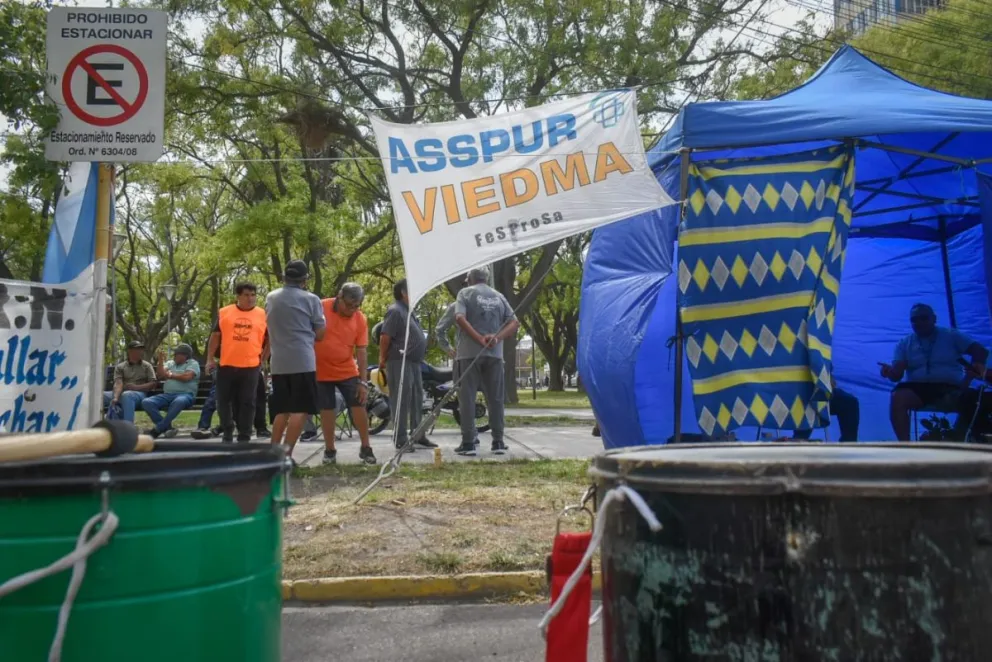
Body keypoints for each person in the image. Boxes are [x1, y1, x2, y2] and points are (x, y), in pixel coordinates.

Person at [880, 303, 988, 441]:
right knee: (897, 395)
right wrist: (889, 372)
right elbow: (897, 376)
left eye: (924, 318)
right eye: (914, 319)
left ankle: (964, 442)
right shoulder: (904, 343)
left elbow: (980, 351)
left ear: (934, 318)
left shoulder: (951, 335)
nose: (919, 322)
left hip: (950, 387)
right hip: (918, 388)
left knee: (975, 399)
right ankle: (905, 447)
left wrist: (976, 365)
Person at [453, 267, 519, 456]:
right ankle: (498, 441)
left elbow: (459, 318)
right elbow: (514, 322)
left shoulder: (464, 293)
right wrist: (496, 338)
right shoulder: (498, 296)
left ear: (470, 279)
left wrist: (478, 338)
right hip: (495, 355)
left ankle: (468, 443)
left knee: (467, 399)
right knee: (496, 399)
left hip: (468, 354)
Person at [265, 260, 325, 456]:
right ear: (305, 280)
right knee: (301, 409)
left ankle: (273, 453)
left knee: (282, 409)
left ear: (284, 277)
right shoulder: (311, 299)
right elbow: (321, 333)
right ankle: (286, 454)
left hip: (279, 361)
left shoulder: (271, 297)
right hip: (302, 360)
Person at [314, 282, 377, 465]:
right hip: (321, 370)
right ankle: (329, 450)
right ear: (339, 297)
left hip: (347, 369)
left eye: (356, 306)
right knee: (327, 410)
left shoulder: (360, 318)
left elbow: (362, 351)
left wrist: (363, 382)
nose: (352, 310)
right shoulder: (320, 307)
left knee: (358, 405)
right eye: (349, 305)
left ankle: (366, 448)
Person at [203, 282, 269, 443]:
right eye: (246, 295)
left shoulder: (263, 315)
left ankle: (244, 435)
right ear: (238, 296)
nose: (250, 298)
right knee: (223, 400)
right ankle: (227, 430)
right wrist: (210, 359)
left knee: (248, 401)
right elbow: (215, 337)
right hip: (227, 364)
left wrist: (263, 359)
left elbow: (270, 340)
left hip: (251, 366)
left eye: (253, 295)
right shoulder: (225, 312)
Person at [379, 278, 437, 451]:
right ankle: (401, 438)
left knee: (417, 399)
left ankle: (418, 435)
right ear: (403, 293)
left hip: (414, 362)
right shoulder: (395, 310)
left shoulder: (409, 311)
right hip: (399, 361)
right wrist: (382, 358)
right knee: (401, 400)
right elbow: (385, 336)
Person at [141, 343, 200, 438]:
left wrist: (171, 375)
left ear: (185, 355)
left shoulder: (192, 363)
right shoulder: (170, 363)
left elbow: (187, 377)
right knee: (147, 402)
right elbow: (160, 375)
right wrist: (160, 361)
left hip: (186, 395)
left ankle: (157, 430)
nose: (174, 356)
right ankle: (167, 428)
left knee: (179, 401)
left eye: (176, 354)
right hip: (168, 395)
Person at [792, 377, 860, 442]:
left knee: (849, 402)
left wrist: (829, 378)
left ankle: (848, 444)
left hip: (817, 388)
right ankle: (798, 441)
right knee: (808, 401)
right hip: (796, 392)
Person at [103, 340, 157, 422]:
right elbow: (118, 382)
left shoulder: (147, 366)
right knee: (100, 396)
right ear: (130, 351)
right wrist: (115, 397)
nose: (140, 351)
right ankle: (96, 427)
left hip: (139, 395)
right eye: (138, 349)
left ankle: (128, 427)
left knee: (127, 395)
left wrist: (136, 387)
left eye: (141, 349)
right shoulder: (121, 366)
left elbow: (153, 383)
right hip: (121, 393)